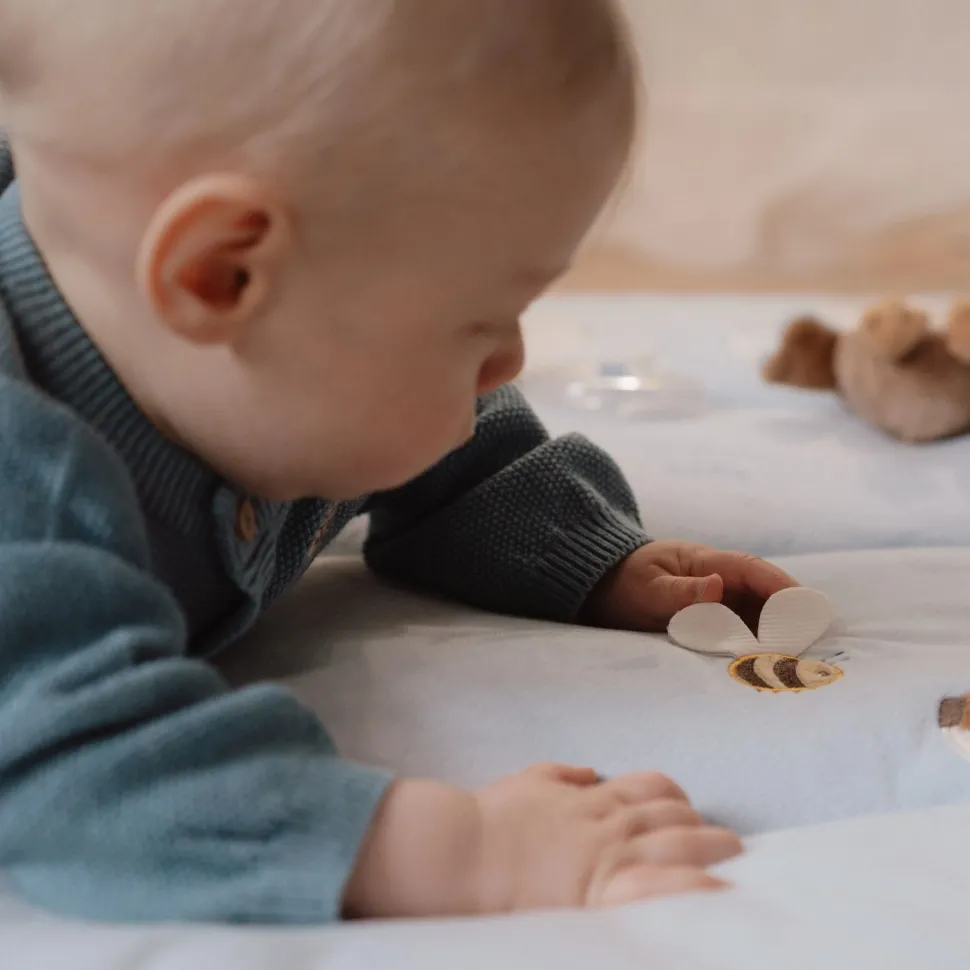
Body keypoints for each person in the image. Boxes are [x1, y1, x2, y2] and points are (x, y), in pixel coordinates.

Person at [0, 0, 794, 923]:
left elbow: (442, 453)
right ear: (223, 276)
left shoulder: (279, 374)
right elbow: (77, 774)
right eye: (477, 324)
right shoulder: (24, 485)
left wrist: (587, 555)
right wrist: (463, 850)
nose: (509, 364)